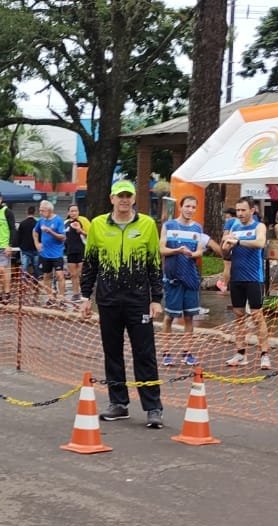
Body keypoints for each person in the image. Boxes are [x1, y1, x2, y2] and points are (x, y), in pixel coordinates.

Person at [81, 179, 165, 427]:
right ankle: (118, 403)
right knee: (112, 352)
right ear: (112, 199)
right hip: (108, 300)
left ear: (134, 199)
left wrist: (156, 299)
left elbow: (154, 265)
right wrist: (86, 297)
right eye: (120, 196)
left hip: (138, 300)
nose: (124, 200)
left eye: (128, 196)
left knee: (144, 353)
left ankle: (153, 407)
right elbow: (90, 265)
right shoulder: (97, 225)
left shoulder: (147, 225)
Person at [220, 197, 272, 370]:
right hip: (237, 277)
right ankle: (240, 353)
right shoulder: (233, 227)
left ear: (252, 210)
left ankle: (265, 354)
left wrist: (239, 241)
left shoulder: (259, 226)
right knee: (239, 315)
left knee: (257, 316)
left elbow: (260, 243)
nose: (240, 214)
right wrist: (226, 246)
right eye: (238, 211)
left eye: (243, 210)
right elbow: (225, 251)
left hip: (253, 277)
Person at [160, 193, 205, 365]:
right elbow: (162, 249)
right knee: (169, 317)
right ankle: (166, 352)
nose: (190, 210)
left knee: (189, 317)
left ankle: (187, 353)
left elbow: (200, 251)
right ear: (181, 207)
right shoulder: (169, 225)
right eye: (187, 206)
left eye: (193, 207)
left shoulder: (197, 228)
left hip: (190, 278)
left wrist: (192, 254)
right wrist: (177, 250)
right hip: (173, 279)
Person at [35, 199, 66, 305]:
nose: (40, 213)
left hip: (57, 254)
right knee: (46, 276)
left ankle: (61, 297)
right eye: (40, 210)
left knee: (59, 275)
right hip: (45, 254)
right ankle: (50, 297)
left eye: (42, 210)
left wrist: (50, 231)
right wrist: (37, 243)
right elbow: (34, 232)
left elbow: (62, 237)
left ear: (49, 210)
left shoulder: (58, 220)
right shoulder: (41, 220)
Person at [63, 205, 88, 310]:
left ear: (78, 212)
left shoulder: (83, 221)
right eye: (71, 211)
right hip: (70, 251)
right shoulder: (65, 223)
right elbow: (62, 236)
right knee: (73, 275)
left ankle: (84, 293)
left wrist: (80, 230)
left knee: (81, 273)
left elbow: (89, 235)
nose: (74, 213)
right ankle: (75, 293)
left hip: (81, 250)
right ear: (69, 213)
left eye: (75, 211)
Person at [15, 206, 39, 297]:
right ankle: (36, 285)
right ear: (35, 212)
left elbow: (18, 237)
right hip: (35, 249)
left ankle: (23, 286)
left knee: (24, 270)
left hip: (25, 250)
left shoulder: (22, 224)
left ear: (26, 212)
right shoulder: (37, 223)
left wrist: (21, 246)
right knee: (36, 269)